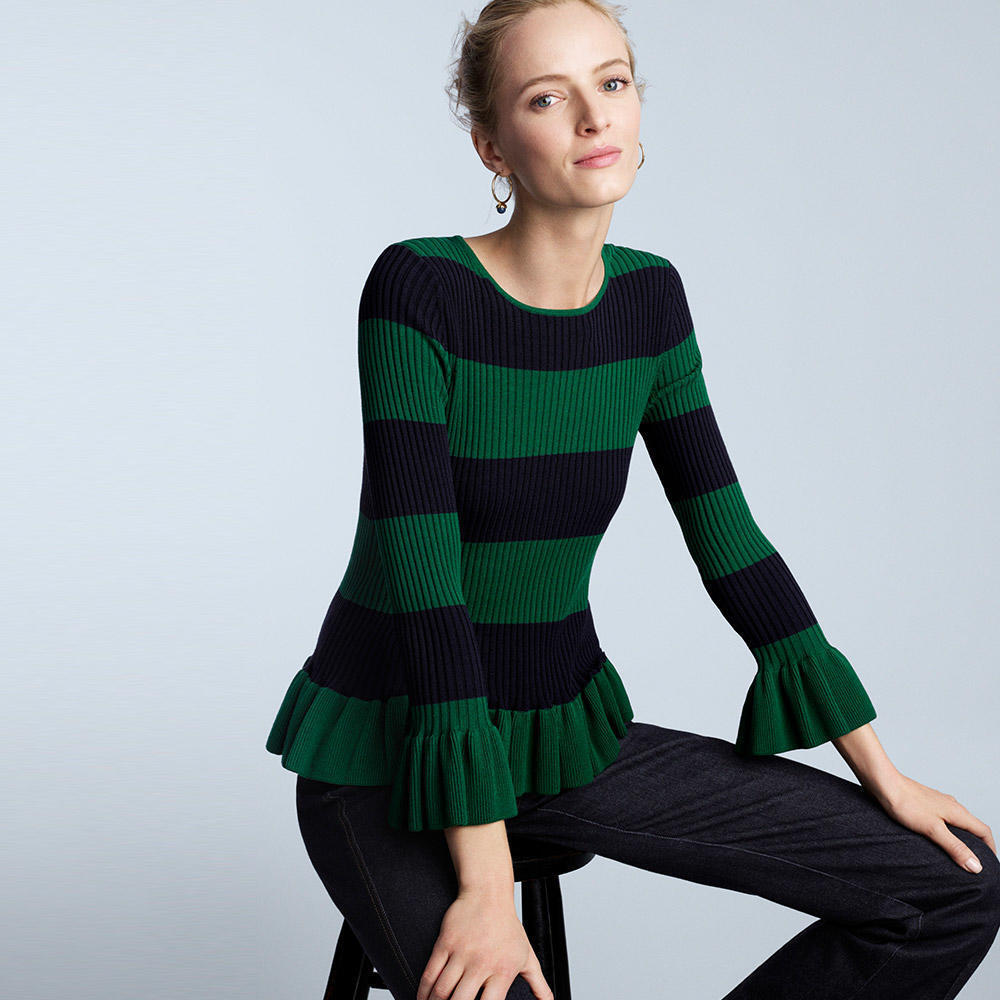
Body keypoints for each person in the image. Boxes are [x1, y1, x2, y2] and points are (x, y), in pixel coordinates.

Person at [265, 2, 1000, 998]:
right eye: (545, 98)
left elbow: (730, 540)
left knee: (951, 888)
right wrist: (486, 887)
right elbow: (430, 596)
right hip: (389, 757)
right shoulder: (418, 290)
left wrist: (883, 772)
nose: (592, 116)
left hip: (560, 738)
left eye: (611, 83)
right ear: (491, 145)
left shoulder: (650, 300)